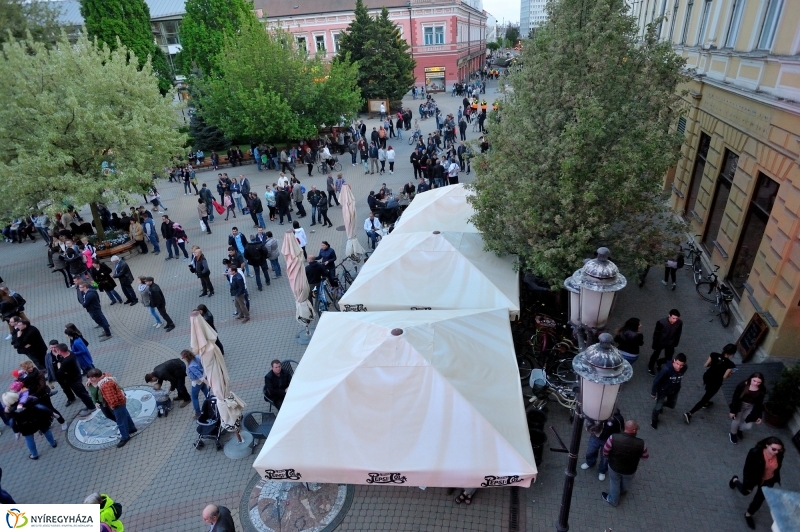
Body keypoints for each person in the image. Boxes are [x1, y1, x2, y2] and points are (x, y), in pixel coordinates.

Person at [728, 436, 785, 529]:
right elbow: (747, 469)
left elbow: (777, 468)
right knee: (745, 492)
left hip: (768, 480)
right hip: (754, 478)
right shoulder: (755, 452)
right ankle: (735, 480)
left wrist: (774, 478)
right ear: (767, 445)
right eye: (774, 449)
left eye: (779, 450)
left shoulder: (779, 455)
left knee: (759, 500)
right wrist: (748, 483)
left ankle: (748, 514)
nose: (776, 452)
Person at [684, 343, 737, 424]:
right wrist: (730, 374)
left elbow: (706, 365)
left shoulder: (714, 354)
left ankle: (706, 402)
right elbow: (725, 377)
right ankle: (690, 413)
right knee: (706, 396)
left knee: (708, 390)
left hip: (707, 376)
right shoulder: (730, 364)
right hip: (716, 382)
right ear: (732, 354)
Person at [601, 420, 649, 507]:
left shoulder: (613, 438)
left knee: (614, 482)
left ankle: (613, 500)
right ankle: (622, 491)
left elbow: (605, 451)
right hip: (630, 469)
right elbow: (645, 457)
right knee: (626, 481)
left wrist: (609, 458)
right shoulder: (641, 443)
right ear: (634, 431)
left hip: (614, 466)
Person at [2, 391, 58, 460]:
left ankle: (34, 455)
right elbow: (38, 406)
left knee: (29, 439)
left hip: (24, 426)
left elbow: (12, 422)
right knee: (46, 431)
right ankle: (53, 443)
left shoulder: (9, 410)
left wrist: (16, 431)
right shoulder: (26, 401)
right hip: (37, 419)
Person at [581, 408, 624, 482]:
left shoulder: (618, 419)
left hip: (608, 441)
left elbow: (620, 431)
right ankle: (590, 462)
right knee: (590, 451)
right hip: (595, 437)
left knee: (605, 457)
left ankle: (602, 471)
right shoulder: (598, 414)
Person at [52, 343, 95, 415]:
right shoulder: (71, 354)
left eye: (57, 350)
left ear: (60, 351)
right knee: (83, 391)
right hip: (77, 376)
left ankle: (91, 407)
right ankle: (90, 404)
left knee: (81, 394)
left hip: (72, 380)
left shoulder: (66, 361)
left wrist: (59, 363)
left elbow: (59, 372)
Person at [650, 353, 687, 429]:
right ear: (674, 361)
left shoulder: (684, 368)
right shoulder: (666, 369)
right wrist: (653, 392)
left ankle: (661, 406)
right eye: (677, 364)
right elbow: (656, 381)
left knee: (672, 405)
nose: (679, 367)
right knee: (657, 408)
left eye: (681, 365)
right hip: (663, 390)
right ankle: (654, 420)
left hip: (675, 389)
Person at [729, 372, 767, 445]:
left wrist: (759, 416)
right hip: (740, 405)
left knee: (748, 425)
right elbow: (735, 398)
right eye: (754, 381)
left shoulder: (762, 389)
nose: (756, 383)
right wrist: (732, 411)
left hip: (751, 406)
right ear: (751, 379)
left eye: (759, 382)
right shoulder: (742, 385)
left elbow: (760, 402)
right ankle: (733, 434)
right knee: (737, 420)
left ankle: (739, 430)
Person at [647, 309, 682, 376]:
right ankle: (650, 367)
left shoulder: (679, 323)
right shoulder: (661, 322)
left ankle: (659, 362)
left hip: (670, 343)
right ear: (669, 315)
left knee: (669, 358)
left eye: (676, 318)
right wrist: (654, 345)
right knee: (655, 355)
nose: (675, 320)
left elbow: (678, 333)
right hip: (660, 342)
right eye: (673, 318)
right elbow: (656, 335)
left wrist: (675, 343)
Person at [180, 349, 209, 419]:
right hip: (204, 377)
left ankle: (198, 413)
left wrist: (208, 383)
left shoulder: (191, 366)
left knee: (194, 397)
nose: (183, 359)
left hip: (197, 382)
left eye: (183, 358)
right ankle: (211, 403)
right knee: (206, 392)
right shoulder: (197, 357)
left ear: (186, 357)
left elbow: (199, 376)